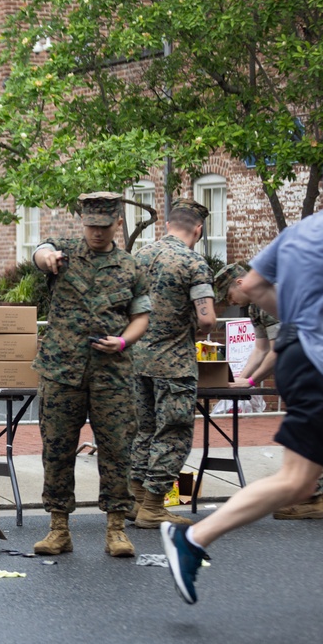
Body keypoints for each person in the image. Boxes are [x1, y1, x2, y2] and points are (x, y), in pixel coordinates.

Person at [162, 148, 323, 615]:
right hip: (319, 366)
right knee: (299, 480)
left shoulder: (300, 230)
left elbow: (252, 287)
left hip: (303, 358)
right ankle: (193, 537)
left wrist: (301, 318)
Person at [31, 192, 151, 558]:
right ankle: (58, 529)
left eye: (104, 226)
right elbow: (40, 253)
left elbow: (141, 316)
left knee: (116, 451)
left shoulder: (130, 267)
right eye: (90, 226)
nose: (96, 233)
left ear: (117, 223)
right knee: (57, 449)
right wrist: (45, 256)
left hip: (111, 375)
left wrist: (123, 342)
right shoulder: (64, 254)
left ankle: (116, 529)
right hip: (61, 370)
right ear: (82, 223)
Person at [215, 262, 323, 521]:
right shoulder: (255, 304)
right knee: (308, 428)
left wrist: (253, 382)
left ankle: (309, 497)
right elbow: (261, 348)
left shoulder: (269, 296)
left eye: (229, 294)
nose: (230, 301)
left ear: (240, 282)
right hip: (306, 365)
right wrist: (240, 380)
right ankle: (317, 495)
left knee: (303, 431)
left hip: (310, 366)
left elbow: (277, 351)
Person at [128, 198, 216, 528]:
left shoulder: (140, 257)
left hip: (137, 359)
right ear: (198, 229)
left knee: (144, 431)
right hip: (174, 364)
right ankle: (153, 506)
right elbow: (206, 319)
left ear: (166, 226)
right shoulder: (193, 263)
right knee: (174, 433)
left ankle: (136, 501)